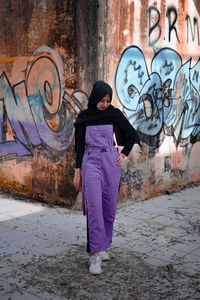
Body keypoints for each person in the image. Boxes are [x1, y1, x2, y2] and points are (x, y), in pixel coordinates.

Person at [73, 81, 140, 275]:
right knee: (94, 207)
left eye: (108, 100)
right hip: (91, 161)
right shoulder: (84, 117)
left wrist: (124, 154)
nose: (104, 104)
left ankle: (103, 245)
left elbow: (132, 134)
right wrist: (77, 170)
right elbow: (78, 146)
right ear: (95, 98)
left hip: (111, 162)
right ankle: (94, 256)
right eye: (101, 100)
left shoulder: (114, 114)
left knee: (109, 208)